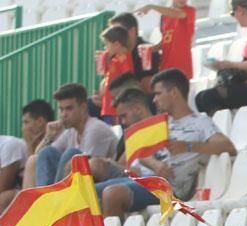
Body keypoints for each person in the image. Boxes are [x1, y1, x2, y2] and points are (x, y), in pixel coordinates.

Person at [96, 68, 235, 214]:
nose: (154, 99)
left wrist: (188, 146)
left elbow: (227, 146)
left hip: (171, 189)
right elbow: (143, 155)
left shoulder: (200, 122)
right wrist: (155, 164)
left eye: (158, 94)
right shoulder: (162, 122)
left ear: (174, 93)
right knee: (89, 192)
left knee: (112, 194)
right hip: (148, 180)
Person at [25, 83, 119, 187]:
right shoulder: (71, 131)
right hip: (76, 186)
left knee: (73, 154)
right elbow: (39, 157)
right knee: (47, 152)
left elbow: (88, 171)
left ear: (83, 108)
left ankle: (55, 197)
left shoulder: (96, 129)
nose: (63, 114)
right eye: (61, 109)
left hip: (103, 185)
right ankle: (46, 196)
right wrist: (49, 136)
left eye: (69, 109)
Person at [139, 0, 196, 78]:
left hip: (182, 68)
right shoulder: (164, 16)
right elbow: (166, 40)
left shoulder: (189, 11)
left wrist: (151, 6)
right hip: (166, 66)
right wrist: (153, 49)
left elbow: (177, 14)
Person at [0, 99, 52, 198]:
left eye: (26, 122)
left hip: (46, 193)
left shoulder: (10, 145)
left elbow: (2, 186)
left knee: (5, 197)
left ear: (40, 121)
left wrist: (29, 144)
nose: (23, 128)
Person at [98, 25, 135, 122]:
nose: (105, 48)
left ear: (117, 45)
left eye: (106, 44)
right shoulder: (115, 59)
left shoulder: (125, 58)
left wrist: (119, 101)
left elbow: (127, 80)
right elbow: (107, 75)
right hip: (108, 106)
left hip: (115, 108)